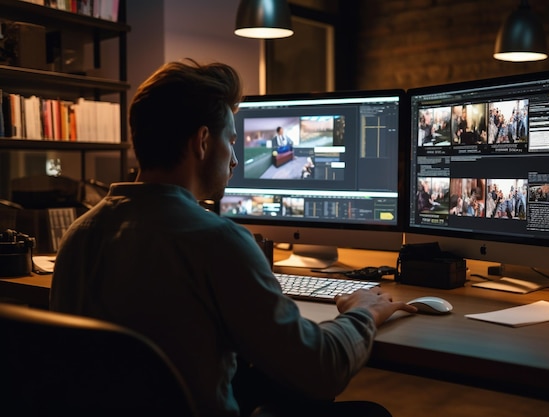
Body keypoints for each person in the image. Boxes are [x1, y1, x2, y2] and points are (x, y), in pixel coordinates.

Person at [49, 59, 416, 417]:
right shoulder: (217, 241)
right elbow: (323, 369)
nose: (236, 160)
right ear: (203, 142)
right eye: (232, 140)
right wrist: (364, 312)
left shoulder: (78, 234)